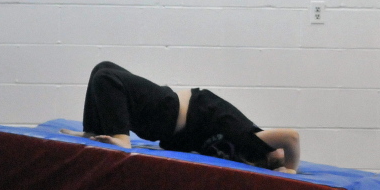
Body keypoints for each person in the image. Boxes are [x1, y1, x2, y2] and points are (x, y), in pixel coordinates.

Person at [61, 61, 301, 173]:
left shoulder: (253, 143)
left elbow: (291, 137)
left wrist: (290, 170)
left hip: (167, 112)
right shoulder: (247, 144)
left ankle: (121, 138)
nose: (280, 149)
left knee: (106, 78)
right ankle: (93, 131)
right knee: (102, 69)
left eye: (279, 154)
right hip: (165, 121)